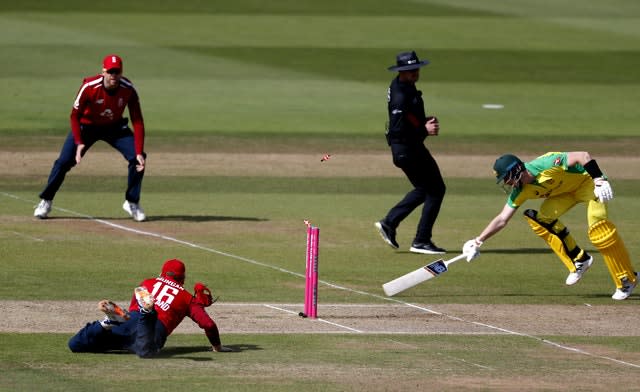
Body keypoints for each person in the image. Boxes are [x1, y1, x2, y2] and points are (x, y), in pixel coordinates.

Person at [463, 151, 638, 300]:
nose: (507, 183)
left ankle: (627, 278)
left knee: (599, 231)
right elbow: (502, 218)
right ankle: (580, 259)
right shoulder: (520, 191)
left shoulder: (546, 163)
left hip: (588, 184)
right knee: (540, 218)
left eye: (506, 178)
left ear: (516, 170)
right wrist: (478, 241)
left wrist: (599, 179)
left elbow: (583, 155)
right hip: (566, 194)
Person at [34, 54, 147, 222]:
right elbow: (74, 115)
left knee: (139, 159)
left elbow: (137, 121)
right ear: (103, 72)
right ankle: (46, 200)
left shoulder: (128, 88)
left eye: (117, 72)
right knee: (64, 162)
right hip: (87, 127)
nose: (113, 76)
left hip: (114, 127)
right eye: (110, 72)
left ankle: (132, 202)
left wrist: (138, 151)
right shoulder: (89, 86)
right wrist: (79, 142)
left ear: (121, 73)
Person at [68, 259, 233, 357]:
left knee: (75, 344)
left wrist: (122, 315)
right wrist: (217, 347)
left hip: (128, 320)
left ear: (162, 273)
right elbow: (208, 325)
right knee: (145, 351)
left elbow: (130, 313)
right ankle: (147, 313)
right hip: (154, 330)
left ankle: (105, 323)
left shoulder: (147, 283)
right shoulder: (187, 297)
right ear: (183, 278)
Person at [375, 51, 446, 254]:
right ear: (401, 71)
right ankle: (420, 240)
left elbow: (407, 119)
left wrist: (422, 122)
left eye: (415, 69)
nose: (414, 72)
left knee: (426, 190)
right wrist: (424, 130)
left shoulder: (404, 85)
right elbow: (398, 130)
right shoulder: (400, 94)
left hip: (410, 147)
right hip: (407, 149)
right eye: (409, 70)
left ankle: (391, 224)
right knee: (435, 189)